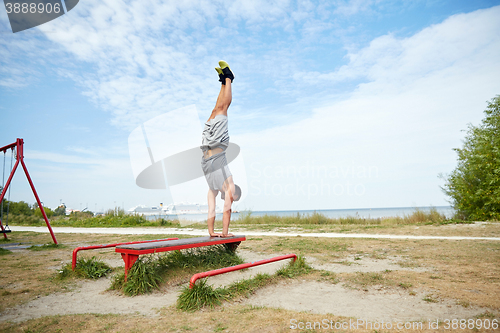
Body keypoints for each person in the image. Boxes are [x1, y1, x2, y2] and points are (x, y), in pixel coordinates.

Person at [201, 60, 241, 238]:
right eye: (233, 198)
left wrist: (212, 232)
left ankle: (222, 81)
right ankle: (229, 79)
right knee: (223, 108)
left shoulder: (213, 188)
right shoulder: (228, 184)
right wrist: (225, 233)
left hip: (205, 148)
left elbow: (211, 209)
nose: (230, 200)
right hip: (218, 143)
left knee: (214, 110)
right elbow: (227, 210)